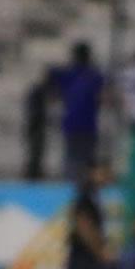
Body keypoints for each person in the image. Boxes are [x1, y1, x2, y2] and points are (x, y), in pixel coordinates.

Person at [52, 42, 106, 180]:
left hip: (72, 122)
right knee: (86, 159)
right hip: (88, 123)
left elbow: (51, 75)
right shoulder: (95, 76)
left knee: (72, 158)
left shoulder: (68, 74)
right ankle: (85, 184)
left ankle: (71, 185)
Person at [23, 68, 52, 180]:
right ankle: (33, 173)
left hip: (36, 124)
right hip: (36, 125)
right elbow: (34, 111)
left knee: (37, 151)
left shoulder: (38, 90)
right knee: (35, 150)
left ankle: (34, 172)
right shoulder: (38, 91)